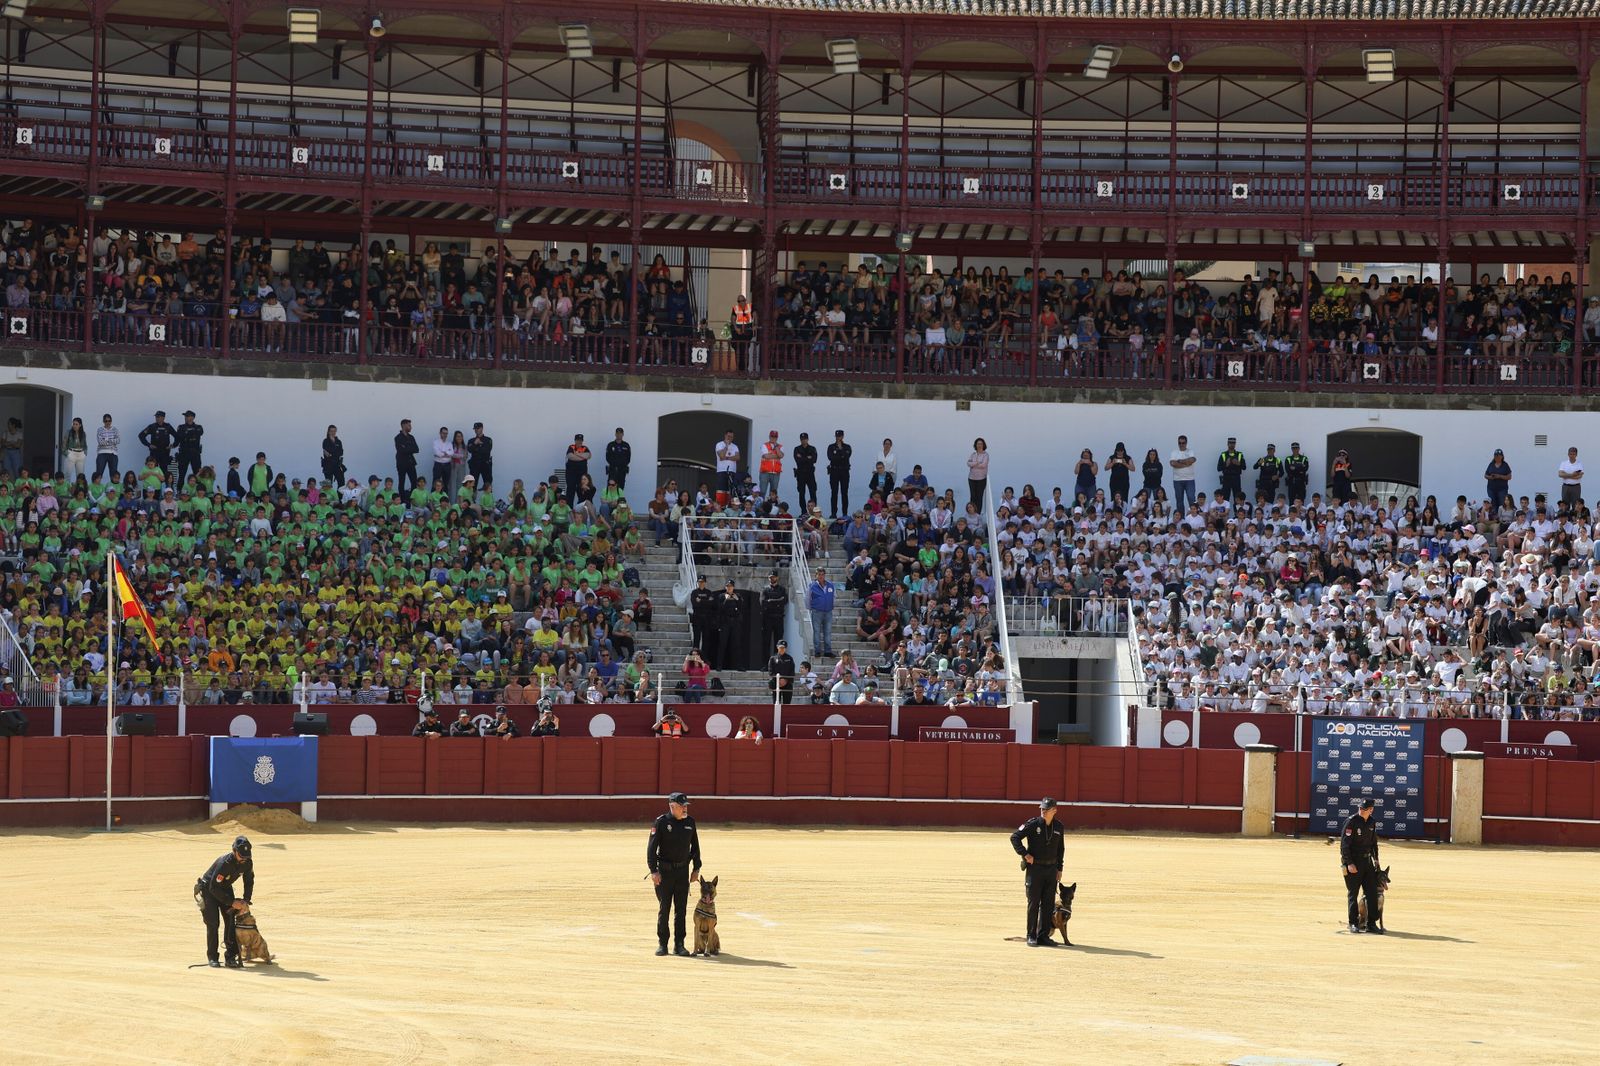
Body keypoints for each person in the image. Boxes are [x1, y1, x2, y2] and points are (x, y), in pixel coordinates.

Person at [647, 791, 702, 957]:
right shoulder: (661, 823)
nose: (685, 809)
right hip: (664, 872)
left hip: (682, 871)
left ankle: (679, 945)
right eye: (682, 806)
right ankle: (662, 944)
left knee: (681, 909)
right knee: (664, 908)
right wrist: (653, 871)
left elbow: (696, 848)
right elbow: (651, 849)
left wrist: (696, 868)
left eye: (686, 806)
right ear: (672, 806)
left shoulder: (690, 823)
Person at [1009, 796, 1066, 946]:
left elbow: (1060, 849)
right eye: (1041, 808)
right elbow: (1015, 837)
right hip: (1035, 870)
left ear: (1054, 810)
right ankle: (1031, 935)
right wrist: (1025, 854)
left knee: (1048, 904)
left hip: (1051, 869)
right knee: (1033, 903)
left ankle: (1043, 936)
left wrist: (1059, 868)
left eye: (1046, 809)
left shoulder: (1059, 827)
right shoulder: (1033, 824)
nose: (1043, 811)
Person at [194, 834, 254, 968]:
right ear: (234, 851)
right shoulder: (224, 863)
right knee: (213, 923)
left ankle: (231, 956)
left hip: (225, 888)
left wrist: (246, 899)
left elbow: (249, 880)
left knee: (230, 921)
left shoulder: (247, 862)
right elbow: (213, 887)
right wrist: (231, 902)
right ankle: (212, 957)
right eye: (241, 856)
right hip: (210, 890)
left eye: (246, 856)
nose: (244, 859)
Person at [1340, 796, 1383, 934]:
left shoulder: (1372, 822)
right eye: (1360, 808)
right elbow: (1344, 845)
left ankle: (1371, 923)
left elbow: (1374, 843)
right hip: (1354, 862)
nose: (1361, 810)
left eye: (1364, 809)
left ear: (1371, 810)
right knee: (1353, 893)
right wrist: (1349, 863)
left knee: (1371, 893)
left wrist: (1376, 859)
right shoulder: (1351, 822)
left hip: (1367, 862)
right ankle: (1353, 923)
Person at [807, 567, 836, 657]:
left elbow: (834, 596)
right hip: (817, 612)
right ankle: (817, 651)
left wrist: (831, 606)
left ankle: (828, 651)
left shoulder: (831, 585)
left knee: (827, 632)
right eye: (819, 574)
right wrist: (810, 608)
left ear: (825, 575)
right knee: (816, 632)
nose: (821, 576)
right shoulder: (812, 585)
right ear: (816, 575)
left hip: (828, 612)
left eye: (822, 574)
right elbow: (807, 598)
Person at [759, 571, 788, 657]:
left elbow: (785, 601)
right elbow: (763, 602)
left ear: (777, 578)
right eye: (771, 577)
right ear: (768, 578)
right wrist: (778, 601)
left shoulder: (782, 589)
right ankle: (765, 664)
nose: (772, 579)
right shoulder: (765, 589)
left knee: (779, 642)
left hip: (778, 618)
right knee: (766, 641)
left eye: (774, 577)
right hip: (767, 618)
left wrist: (771, 601)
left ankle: (778, 660)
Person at [174, 410, 204, 489]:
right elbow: (179, 437)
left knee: (197, 474)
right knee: (181, 474)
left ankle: (198, 491)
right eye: (185, 416)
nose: (186, 418)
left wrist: (187, 433)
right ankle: (179, 491)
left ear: (193, 417)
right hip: (184, 454)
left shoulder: (198, 427)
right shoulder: (181, 427)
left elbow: (200, 432)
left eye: (188, 416)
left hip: (195, 454)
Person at [827, 429, 852, 519]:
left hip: (844, 471)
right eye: (837, 436)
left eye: (840, 436)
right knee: (834, 492)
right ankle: (833, 513)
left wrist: (839, 452)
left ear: (843, 436)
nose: (838, 438)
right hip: (834, 471)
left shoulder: (847, 447)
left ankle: (845, 513)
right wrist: (841, 455)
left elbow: (846, 456)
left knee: (844, 493)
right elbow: (831, 458)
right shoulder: (831, 447)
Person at [688, 575, 716, 656]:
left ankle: (704, 659)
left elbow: (711, 604)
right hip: (697, 618)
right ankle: (695, 659)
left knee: (706, 640)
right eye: (699, 582)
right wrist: (706, 601)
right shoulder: (694, 592)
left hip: (707, 619)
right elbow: (695, 604)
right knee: (696, 639)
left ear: (705, 582)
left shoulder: (709, 592)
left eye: (702, 582)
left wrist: (701, 601)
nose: (701, 583)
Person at [1169, 434, 1197, 512]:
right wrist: (1186, 463)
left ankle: (1194, 516)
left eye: (1183, 443)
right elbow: (1172, 463)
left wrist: (1180, 461)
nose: (1181, 445)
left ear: (1186, 443)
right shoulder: (1174, 452)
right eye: (1179, 443)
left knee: (1191, 498)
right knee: (1179, 501)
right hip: (1177, 480)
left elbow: (1193, 460)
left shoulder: (1190, 451)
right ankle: (1181, 519)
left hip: (1190, 479)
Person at [792, 432, 818, 513]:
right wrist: (808, 458)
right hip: (800, 474)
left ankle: (814, 511)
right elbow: (798, 461)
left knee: (812, 492)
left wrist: (802, 457)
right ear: (800, 440)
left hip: (810, 474)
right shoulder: (797, 449)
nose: (804, 441)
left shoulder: (812, 448)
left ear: (808, 439)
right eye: (802, 439)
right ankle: (803, 511)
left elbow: (814, 460)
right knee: (801, 493)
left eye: (805, 439)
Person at [394, 418, 420, 496]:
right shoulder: (398, 438)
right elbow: (401, 450)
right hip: (401, 463)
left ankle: (412, 498)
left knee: (414, 481)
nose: (410, 427)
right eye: (409, 425)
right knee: (402, 481)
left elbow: (416, 449)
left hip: (411, 462)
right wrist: (409, 448)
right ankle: (401, 500)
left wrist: (405, 447)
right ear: (403, 425)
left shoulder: (411, 437)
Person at [1217, 436, 1246, 501]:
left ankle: (1238, 511)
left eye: (1233, 443)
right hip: (1226, 478)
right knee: (1225, 498)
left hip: (1236, 478)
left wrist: (1239, 464)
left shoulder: (1239, 454)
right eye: (1230, 443)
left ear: (1235, 444)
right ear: (1227, 444)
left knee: (1238, 498)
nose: (1232, 444)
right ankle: (1225, 511)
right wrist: (1226, 465)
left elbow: (1244, 467)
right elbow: (1218, 468)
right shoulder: (1223, 454)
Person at [768, 638, 795, 705]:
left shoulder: (789, 658)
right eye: (780, 647)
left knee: (787, 703)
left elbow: (792, 671)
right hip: (776, 683)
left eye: (784, 648)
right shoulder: (773, 658)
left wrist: (786, 680)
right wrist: (779, 680)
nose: (782, 649)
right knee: (776, 702)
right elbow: (771, 671)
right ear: (777, 647)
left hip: (787, 683)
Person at [94, 413, 121, 482]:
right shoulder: (100, 429)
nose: (108, 422)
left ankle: (113, 490)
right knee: (99, 473)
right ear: (103, 421)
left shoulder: (115, 429)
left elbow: (118, 440)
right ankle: (95, 490)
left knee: (113, 474)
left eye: (109, 421)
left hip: (113, 453)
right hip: (102, 453)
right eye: (106, 421)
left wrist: (106, 440)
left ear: (111, 421)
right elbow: (100, 442)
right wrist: (111, 441)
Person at [758, 430, 784, 500]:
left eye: (775, 437)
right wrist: (777, 456)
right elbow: (766, 456)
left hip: (776, 473)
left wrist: (776, 447)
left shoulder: (780, 446)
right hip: (765, 472)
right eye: (772, 436)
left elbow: (781, 455)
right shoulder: (765, 445)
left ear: (777, 438)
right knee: (762, 491)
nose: (773, 438)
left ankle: (772, 508)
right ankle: (761, 508)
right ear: (769, 436)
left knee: (773, 493)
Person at [466, 422, 493, 490]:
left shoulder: (488, 440)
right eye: (475, 429)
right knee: (472, 485)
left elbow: (486, 450)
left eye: (478, 428)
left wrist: (476, 448)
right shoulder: (471, 440)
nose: (476, 430)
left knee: (487, 484)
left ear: (482, 428)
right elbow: (469, 450)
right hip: (475, 465)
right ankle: (472, 500)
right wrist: (475, 443)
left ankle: (488, 499)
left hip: (485, 465)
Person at [714, 431, 741, 498]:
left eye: (731, 437)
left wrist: (727, 457)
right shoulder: (719, 444)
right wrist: (726, 446)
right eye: (728, 436)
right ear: (725, 436)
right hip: (722, 471)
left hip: (732, 471)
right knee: (721, 491)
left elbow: (737, 457)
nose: (730, 438)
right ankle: (721, 506)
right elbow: (722, 456)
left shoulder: (735, 446)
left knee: (731, 491)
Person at [966, 437, 989, 512]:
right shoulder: (973, 454)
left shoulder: (986, 455)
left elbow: (983, 465)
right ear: (975, 445)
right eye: (978, 444)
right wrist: (977, 463)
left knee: (979, 497)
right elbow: (968, 463)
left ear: (983, 445)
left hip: (981, 479)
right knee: (973, 497)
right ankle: (971, 512)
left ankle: (977, 514)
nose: (979, 445)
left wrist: (973, 464)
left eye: (981, 444)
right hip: (971, 478)